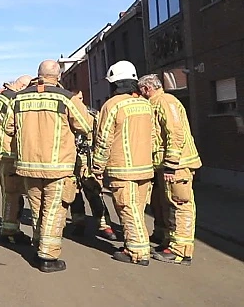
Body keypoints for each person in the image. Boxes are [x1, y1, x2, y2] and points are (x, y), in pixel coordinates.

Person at [6, 60, 92, 273]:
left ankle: (39, 247)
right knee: (54, 210)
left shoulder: (18, 98)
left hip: (28, 166)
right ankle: (48, 256)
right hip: (57, 166)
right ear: (59, 76)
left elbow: (9, 127)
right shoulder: (66, 98)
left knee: (37, 209)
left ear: (38, 75)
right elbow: (86, 124)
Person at [92, 61, 154, 265]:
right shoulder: (146, 104)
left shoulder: (112, 105)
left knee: (128, 209)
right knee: (137, 210)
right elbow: (154, 136)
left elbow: (103, 140)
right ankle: (136, 245)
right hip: (145, 169)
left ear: (115, 83)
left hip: (123, 169)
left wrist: (97, 167)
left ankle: (137, 252)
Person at [139, 74, 202, 265]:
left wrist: (172, 163)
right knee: (166, 204)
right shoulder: (157, 102)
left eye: (141, 91)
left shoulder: (166, 102)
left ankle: (180, 251)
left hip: (178, 166)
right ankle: (168, 240)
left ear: (146, 88)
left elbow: (175, 132)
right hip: (167, 165)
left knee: (179, 205)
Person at [0, 74, 33, 245]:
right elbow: (13, 126)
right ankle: (10, 232)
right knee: (12, 194)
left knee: (10, 193)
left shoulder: (2, 97)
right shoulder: (12, 100)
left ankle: (10, 228)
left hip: (1, 152)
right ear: (22, 86)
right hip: (9, 153)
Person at [70, 106, 117, 241]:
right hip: (70, 160)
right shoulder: (65, 112)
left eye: (79, 99)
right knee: (74, 194)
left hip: (88, 160)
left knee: (95, 193)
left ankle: (104, 225)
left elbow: (103, 136)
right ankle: (78, 223)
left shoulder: (94, 114)